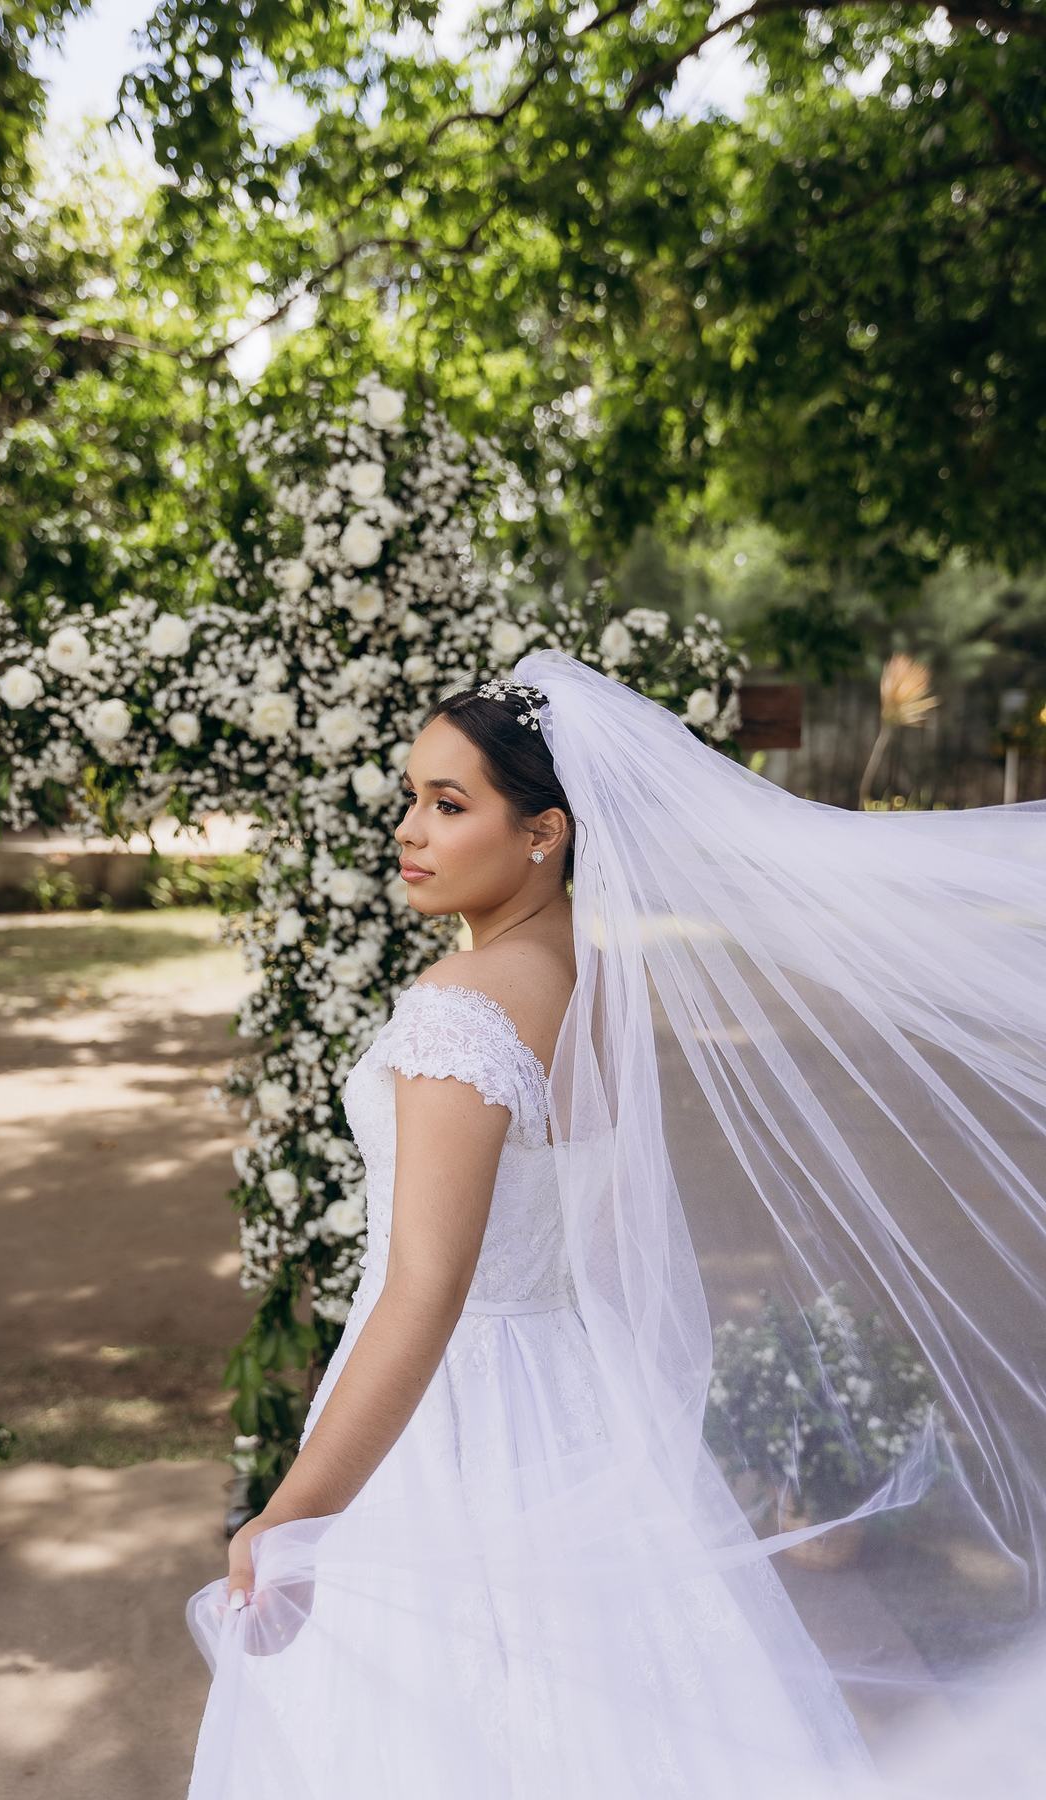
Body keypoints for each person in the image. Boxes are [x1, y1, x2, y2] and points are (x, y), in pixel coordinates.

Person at [187, 654, 1046, 1799]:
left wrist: (294, 1516)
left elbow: (426, 1290)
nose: (410, 829)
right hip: (571, 1397)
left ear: (544, 831)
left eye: (450, 805)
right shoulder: (586, 975)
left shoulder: (465, 1009)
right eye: (411, 797)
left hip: (461, 1411)